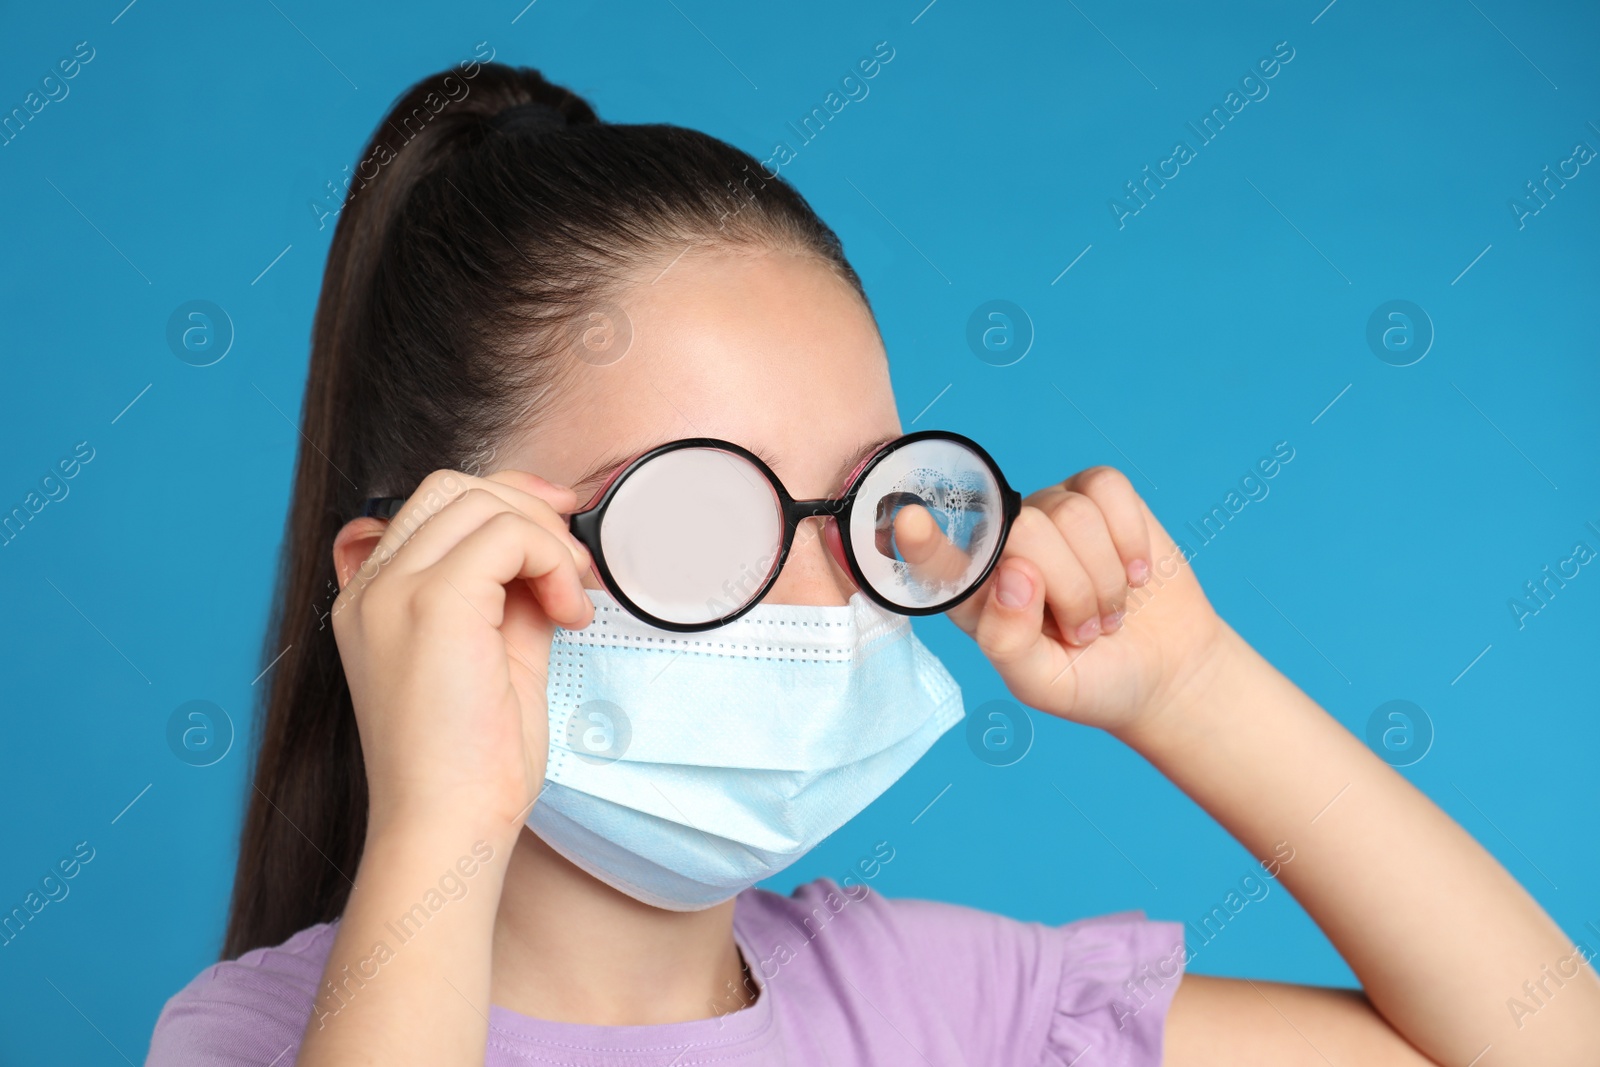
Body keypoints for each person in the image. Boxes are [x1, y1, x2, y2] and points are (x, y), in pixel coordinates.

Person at [145, 61, 1600, 1066]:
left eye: (858, 505)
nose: (817, 584)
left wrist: (1194, 689)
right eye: (697, 517)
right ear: (408, 578)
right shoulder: (252, 1039)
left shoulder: (941, 1009)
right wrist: (438, 824)